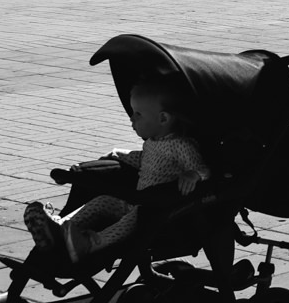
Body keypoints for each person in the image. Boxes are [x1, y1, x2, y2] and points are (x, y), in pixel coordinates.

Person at [22, 74, 210, 264]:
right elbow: (143, 160)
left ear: (163, 118)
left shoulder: (181, 145)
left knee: (133, 219)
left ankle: (90, 244)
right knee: (103, 201)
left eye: (138, 114)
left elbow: (202, 168)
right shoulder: (153, 142)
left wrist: (193, 174)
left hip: (156, 212)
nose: (131, 118)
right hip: (137, 201)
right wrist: (116, 154)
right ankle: (60, 227)